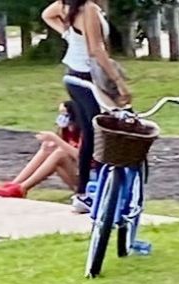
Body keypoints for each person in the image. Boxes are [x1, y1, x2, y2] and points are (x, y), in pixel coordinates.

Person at [42, 0, 130, 213]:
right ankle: (93, 191)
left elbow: (47, 14)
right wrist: (119, 81)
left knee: (91, 134)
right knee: (100, 132)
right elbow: (96, 49)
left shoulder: (73, 6)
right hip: (85, 77)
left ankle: (85, 192)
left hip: (74, 76)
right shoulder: (88, 8)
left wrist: (69, 34)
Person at [0, 102, 82, 198]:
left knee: (60, 153)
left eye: (65, 115)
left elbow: (81, 156)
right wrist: (53, 141)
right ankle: (15, 184)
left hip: (88, 176)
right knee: (48, 147)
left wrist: (56, 139)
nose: (62, 118)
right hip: (76, 173)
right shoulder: (66, 129)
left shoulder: (85, 132)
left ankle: (22, 188)